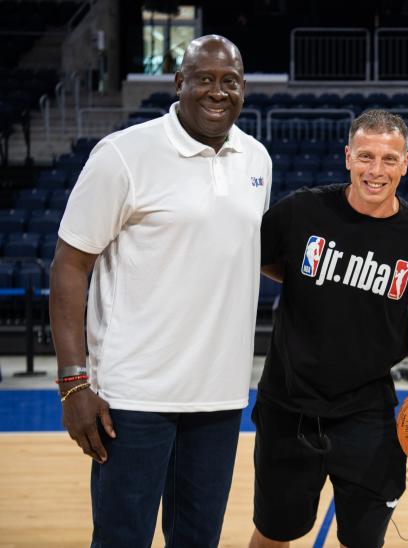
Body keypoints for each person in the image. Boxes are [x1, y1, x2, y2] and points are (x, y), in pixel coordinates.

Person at [49, 35, 271, 547]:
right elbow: (68, 265)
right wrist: (74, 383)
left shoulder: (256, 160)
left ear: (243, 89)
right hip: (133, 395)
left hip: (219, 396)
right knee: (122, 538)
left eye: (231, 81)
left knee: (198, 540)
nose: (218, 91)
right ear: (179, 83)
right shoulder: (124, 155)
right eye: (205, 79)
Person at [250, 109, 408, 548]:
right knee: (272, 534)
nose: (376, 170)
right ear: (347, 157)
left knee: (363, 541)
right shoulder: (301, 211)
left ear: (406, 163)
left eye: (389, 159)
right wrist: (303, 277)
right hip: (289, 403)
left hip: (367, 411)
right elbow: (255, 259)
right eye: (365, 156)